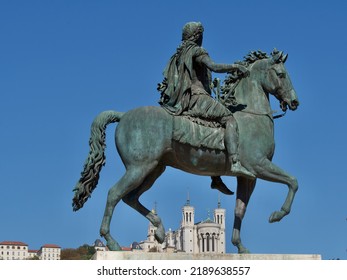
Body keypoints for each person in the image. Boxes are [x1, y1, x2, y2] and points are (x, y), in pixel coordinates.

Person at [158, 22, 255, 194]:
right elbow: (214, 67)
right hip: (197, 97)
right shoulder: (196, 51)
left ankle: (215, 177)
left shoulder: (179, 54)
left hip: (185, 98)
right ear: (197, 36)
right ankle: (234, 162)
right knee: (228, 119)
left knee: (213, 127)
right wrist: (236, 67)